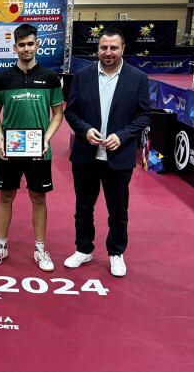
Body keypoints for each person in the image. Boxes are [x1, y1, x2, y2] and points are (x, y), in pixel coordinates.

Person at [63, 29, 150, 277]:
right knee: (83, 207)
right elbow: (71, 111)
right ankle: (83, 249)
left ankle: (116, 252)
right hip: (85, 156)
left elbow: (144, 114)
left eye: (113, 48)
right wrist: (85, 130)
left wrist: (122, 136)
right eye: (104, 48)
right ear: (97, 49)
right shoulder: (82, 76)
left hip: (119, 158)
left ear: (123, 49)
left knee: (118, 211)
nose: (108, 53)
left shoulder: (138, 78)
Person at [0, 23, 64, 271]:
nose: (26, 48)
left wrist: (46, 139)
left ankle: (40, 249)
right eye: (22, 45)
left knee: (38, 198)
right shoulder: (4, 78)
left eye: (30, 43)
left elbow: (58, 114)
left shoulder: (50, 77)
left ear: (37, 44)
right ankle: (1, 246)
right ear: (15, 47)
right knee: (5, 196)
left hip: (39, 152)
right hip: (9, 150)